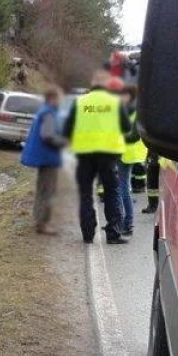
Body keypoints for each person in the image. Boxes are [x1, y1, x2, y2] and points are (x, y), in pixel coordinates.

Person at [62, 70, 133, 245]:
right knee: (112, 192)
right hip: (108, 154)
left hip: (84, 154)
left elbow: (66, 130)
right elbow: (126, 128)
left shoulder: (80, 102)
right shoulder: (115, 103)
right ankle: (113, 233)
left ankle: (87, 234)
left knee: (85, 193)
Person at [21, 86, 68, 234]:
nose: (60, 101)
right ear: (52, 98)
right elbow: (48, 135)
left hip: (44, 157)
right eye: (59, 98)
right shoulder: (48, 113)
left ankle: (39, 220)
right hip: (48, 158)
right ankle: (43, 223)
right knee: (48, 190)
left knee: (42, 189)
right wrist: (63, 142)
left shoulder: (44, 111)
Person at [117, 84, 146, 236]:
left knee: (123, 190)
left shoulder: (135, 111)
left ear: (129, 96)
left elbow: (135, 135)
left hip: (126, 154)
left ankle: (127, 223)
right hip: (119, 152)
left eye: (123, 95)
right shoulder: (123, 110)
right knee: (122, 189)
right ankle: (123, 222)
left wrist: (117, 137)